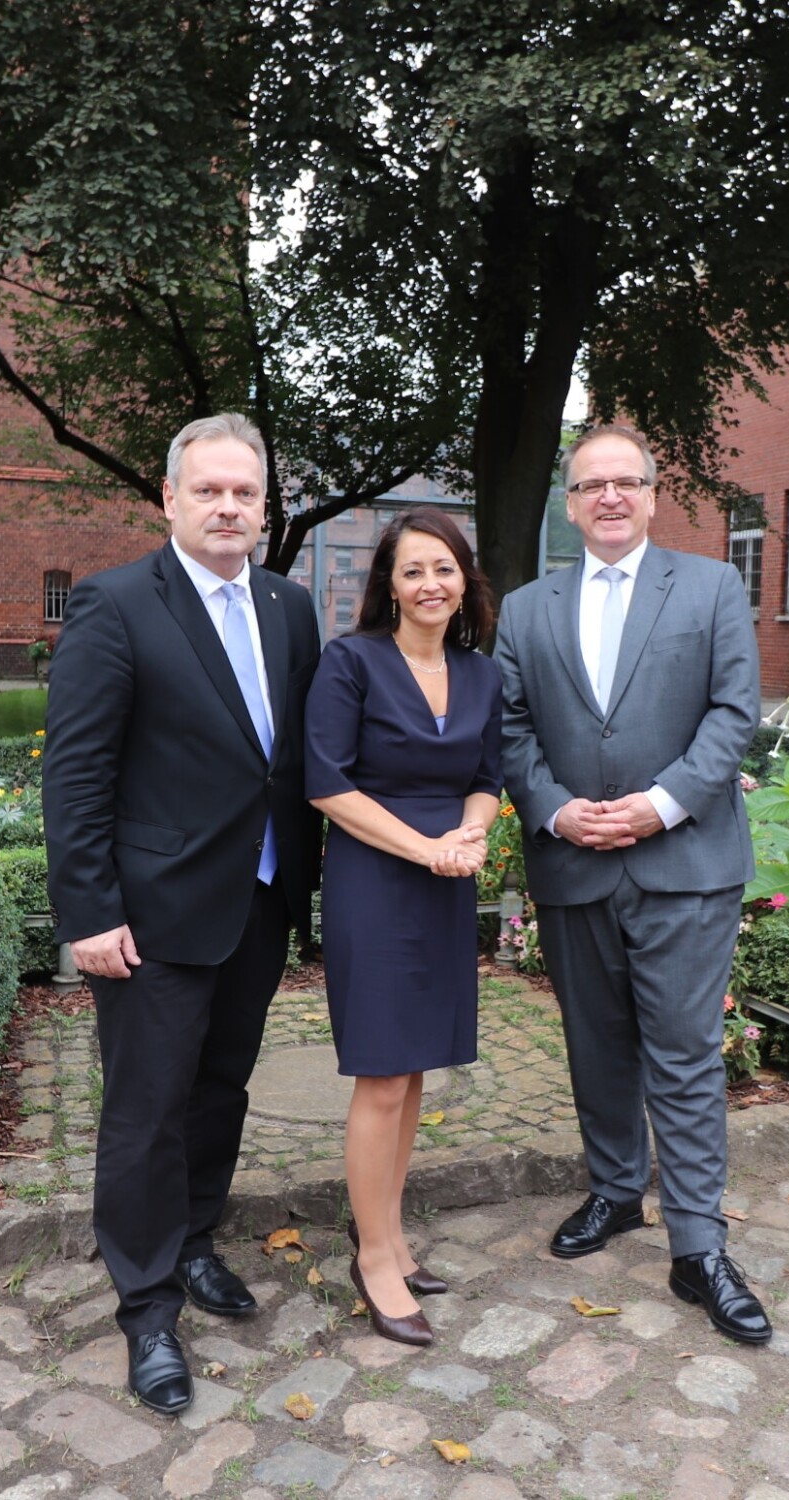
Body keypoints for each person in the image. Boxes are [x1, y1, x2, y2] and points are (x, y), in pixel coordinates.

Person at [42, 413, 322, 1414]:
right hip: (152, 914)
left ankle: (197, 1241)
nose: (228, 507)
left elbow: (282, 762)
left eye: (245, 492)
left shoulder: (291, 607)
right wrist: (88, 911)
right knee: (145, 1113)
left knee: (220, 1092)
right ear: (168, 498)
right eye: (208, 490)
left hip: (257, 898)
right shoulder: (116, 605)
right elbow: (75, 775)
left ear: (264, 504)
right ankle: (148, 1309)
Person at [494, 423, 771, 1344]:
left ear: (654, 495)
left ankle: (697, 1247)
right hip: (573, 860)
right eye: (590, 485)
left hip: (683, 862)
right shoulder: (528, 608)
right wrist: (554, 808)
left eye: (626, 482)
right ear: (569, 505)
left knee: (684, 1054)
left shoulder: (711, 585)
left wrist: (659, 805)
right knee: (595, 1045)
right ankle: (614, 1190)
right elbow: (510, 727)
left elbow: (734, 714)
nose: (609, 497)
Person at [306, 508, 501, 1346]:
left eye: (444, 569)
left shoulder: (481, 673)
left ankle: (384, 1229)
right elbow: (324, 782)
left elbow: (487, 775)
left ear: (465, 583)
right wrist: (425, 848)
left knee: (415, 1069)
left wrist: (473, 834)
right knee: (381, 1074)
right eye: (413, 570)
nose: (430, 584)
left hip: (443, 878)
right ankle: (375, 1259)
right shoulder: (350, 663)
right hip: (376, 877)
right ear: (388, 582)